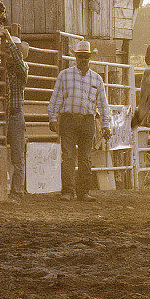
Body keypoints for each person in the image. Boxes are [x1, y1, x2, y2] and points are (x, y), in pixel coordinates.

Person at [48, 40, 113, 202]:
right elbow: (56, 98)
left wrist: (106, 124)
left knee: (85, 157)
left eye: (86, 57)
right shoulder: (65, 75)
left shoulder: (96, 79)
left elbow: (103, 104)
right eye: (80, 57)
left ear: (89, 58)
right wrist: (52, 117)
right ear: (76, 57)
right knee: (69, 155)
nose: (83, 60)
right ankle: (68, 191)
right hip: (68, 119)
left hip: (87, 120)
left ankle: (84, 192)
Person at [2, 31, 29, 202]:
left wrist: (9, 40)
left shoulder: (22, 69)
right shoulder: (3, 69)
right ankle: (13, 190)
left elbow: (19, 61)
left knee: (17, 156)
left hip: (14, 116)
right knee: (14, 156)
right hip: (6, 116)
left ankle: (17, 191)